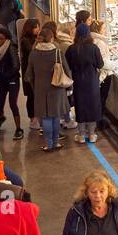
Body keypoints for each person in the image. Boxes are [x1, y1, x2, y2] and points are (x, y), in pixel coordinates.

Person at [24, 23, 72, 151]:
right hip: (56, 89)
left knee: (45, 118)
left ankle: (48, 144)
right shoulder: (57, 53)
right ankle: (56, 142)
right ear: (51, 38)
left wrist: (35, 85)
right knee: (55, 117)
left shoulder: (33, 54)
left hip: (40, 89)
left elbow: (29, 74)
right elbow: (67, 71)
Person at [65, 23, 105, 143]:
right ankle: (92, 135)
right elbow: (100, 64)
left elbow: (67, 65)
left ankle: (81, 135)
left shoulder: (72, 49)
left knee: (80, 106)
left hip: (78, 82)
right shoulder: (94, 48)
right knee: (92, 107)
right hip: (92, 81)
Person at [0, 27, 23, 140]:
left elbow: (16, 66)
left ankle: (19, 129)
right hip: (2, 80)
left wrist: (5, 75)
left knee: (12, 103)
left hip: (12, 80)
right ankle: (2, 117)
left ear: (6, 38)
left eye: (1, 39)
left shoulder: (11, 48)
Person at [18, 18, 41, 134]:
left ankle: (37, 117)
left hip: (35, 73)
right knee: (31, 96)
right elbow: (32, 52)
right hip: (29, 74)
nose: (38, 29)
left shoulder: (33, 39)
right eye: (37, 27)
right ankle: (33, 119)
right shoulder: (25, 41)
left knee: (35, 95)